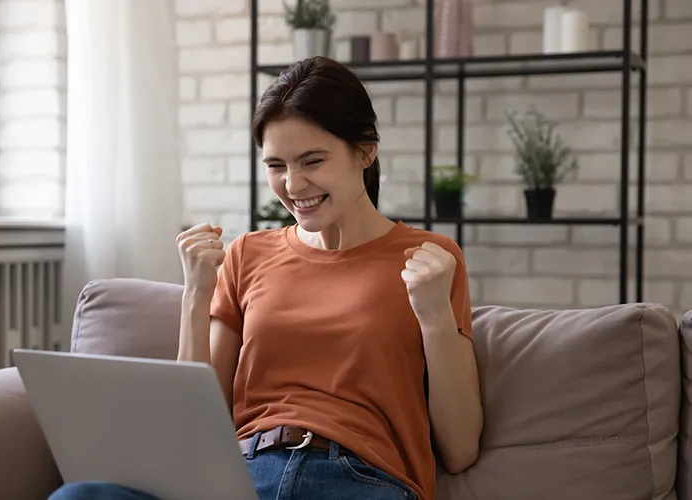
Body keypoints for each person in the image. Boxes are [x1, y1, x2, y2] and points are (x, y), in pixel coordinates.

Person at [50, 56, 482, 500]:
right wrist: (196, 295)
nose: (293, 186)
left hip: (360, 480)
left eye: (312, 161)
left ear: (366, 150)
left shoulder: (430, 260)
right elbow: (196, 424)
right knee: (78, 496)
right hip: (244, 473)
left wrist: (433, 317)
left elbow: (461, 448)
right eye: (277, 165)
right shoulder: (246, 255)